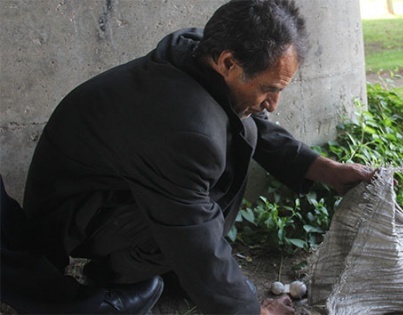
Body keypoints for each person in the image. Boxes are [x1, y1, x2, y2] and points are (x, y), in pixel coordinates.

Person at [0, 0, 374, 314]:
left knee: (213, 186)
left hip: (106, 188)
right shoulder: (186, 130)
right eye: (269, 89)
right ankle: (117, 278)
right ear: (228, 63)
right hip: (76, 217)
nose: (273, 104)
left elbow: (252, 123)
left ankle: (163, 274)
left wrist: (323, 169)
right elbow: (198, 242)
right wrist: (250, 310)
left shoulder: (198, 53)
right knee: (201, 217)